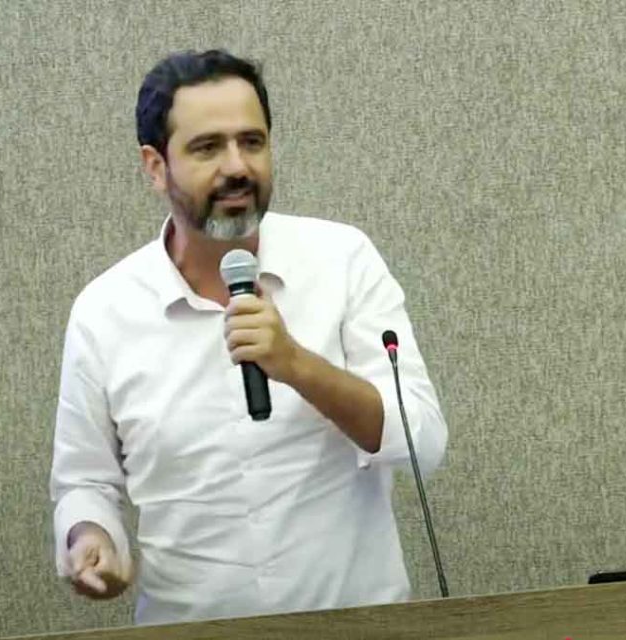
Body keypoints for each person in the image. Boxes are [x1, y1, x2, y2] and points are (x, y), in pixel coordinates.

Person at [49, 49, 448, 626]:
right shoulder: (104, 311)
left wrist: (297, 365)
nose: (237, 166)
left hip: (357, 625)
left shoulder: (342, 260)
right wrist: (91, 538)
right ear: (155, 166)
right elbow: (84, 482)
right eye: (207, 147)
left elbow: (422, 440)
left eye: (252, 142)